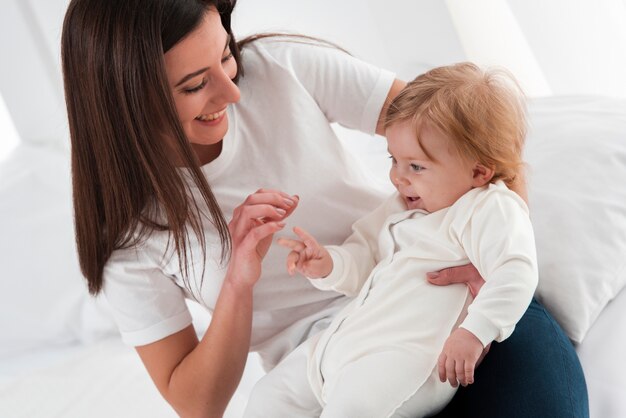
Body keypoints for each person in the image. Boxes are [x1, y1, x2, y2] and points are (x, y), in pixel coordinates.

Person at [60, 0, 588, 417]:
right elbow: (197, 405)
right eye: (196, 84)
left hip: (449, 305)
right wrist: (238, 280)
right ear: (125, 99)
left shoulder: (277, 68)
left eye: (224, 54)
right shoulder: (130, 234)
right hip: (327, 371)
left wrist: (489, 262)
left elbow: (473, 140)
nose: (233, 91)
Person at [243, 63, 538, 417]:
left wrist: (474, 333)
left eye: (415, 167)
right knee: (267, 398)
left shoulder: (487, 206)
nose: (397, 177)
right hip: (340, 343)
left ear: (478, 171)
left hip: (403, 358)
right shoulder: (400, 206)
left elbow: (516, 271)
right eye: (394, 160)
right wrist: (328, 263)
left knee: (352, 409)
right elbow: (364, 252)